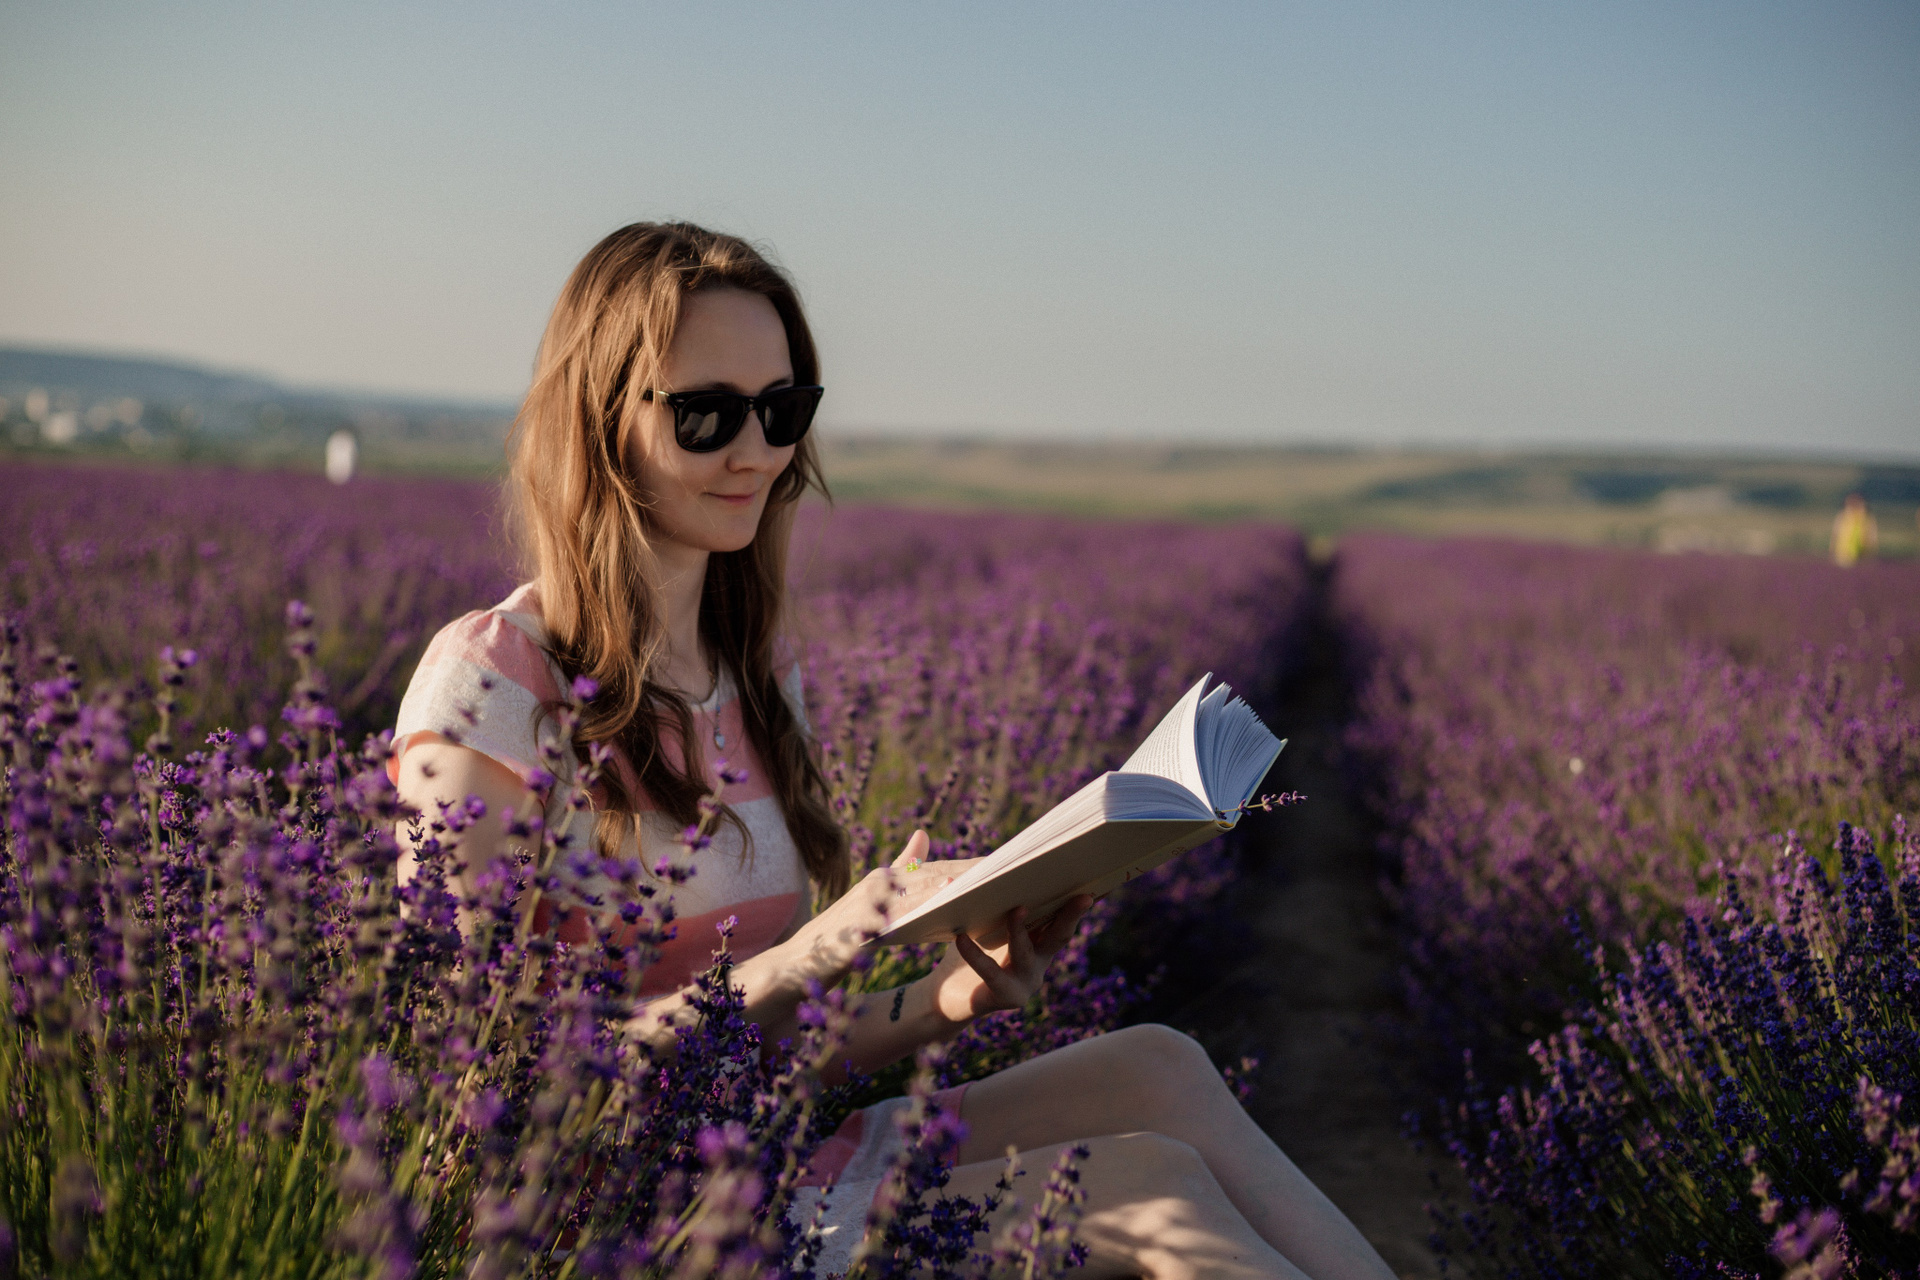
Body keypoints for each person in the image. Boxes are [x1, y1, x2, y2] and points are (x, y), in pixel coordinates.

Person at [389, 221, 1395, 1280]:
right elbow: (491, 1081)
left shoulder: (751, 678)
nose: (756, 451)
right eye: (706, 413)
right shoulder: (493, 689)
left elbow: (761, 1051)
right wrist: (817, 949)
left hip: (758, 1154)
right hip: (608, 1222)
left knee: (1162, 1067)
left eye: (783, 410)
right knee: (1157, 1193)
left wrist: (949, 998)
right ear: (597, 419)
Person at [1831, 493, 1878, 567]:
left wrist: (1870, 550)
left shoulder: (1866, 517)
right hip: (1843, 553)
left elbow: (1871, 536)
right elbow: (1835, 533)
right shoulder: (1843, 515)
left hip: (1860, 552)